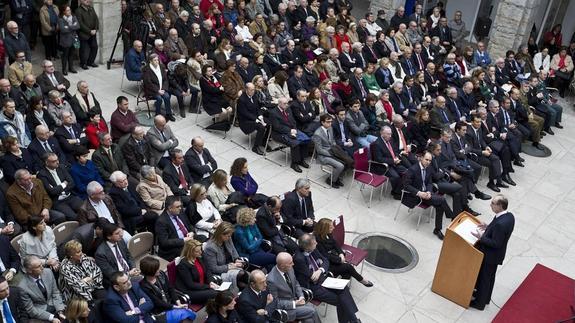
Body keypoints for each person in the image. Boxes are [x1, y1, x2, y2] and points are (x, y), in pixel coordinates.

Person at [293, 233, 360, 323]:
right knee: (341, 300)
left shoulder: (313, 249)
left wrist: (320, 270)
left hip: (323, 278)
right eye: (314, 243)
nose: (316, 243)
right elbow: (311, 277)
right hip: (313, 286)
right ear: (307, 247)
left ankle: (353, 320)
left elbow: (325, 260)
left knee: (343, 288)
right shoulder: (299, 258)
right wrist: (317, 273)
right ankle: (354, 320)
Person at [470, 194, 515, 310]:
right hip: (497, 256)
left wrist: (481, 238)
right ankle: (485, 298)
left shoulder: (501, 224)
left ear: (500, 206)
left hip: (490, 255)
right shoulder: (509, 216)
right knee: (489, 278)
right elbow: (497, 229)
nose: (490, 205)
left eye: (493, 204)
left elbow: (496, 243)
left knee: (485, 279)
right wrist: (488, 227)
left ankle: (479, 303)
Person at [403, 151, 454, 240]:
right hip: (416, 196)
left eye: (430, 161)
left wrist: (429, 192)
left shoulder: (428, 168)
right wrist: (419, 193)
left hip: (427, 194)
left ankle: (437, 229)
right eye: (426, 160)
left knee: (440, 206)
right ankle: (451, 216)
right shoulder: (413, 169)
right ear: (421, 158)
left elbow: (430, 182)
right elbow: (406, 186)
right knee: (441, 200)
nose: (428, 162)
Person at [314, 218, 373, 286]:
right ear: (324, 229)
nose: (333, 228)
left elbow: (335, 243)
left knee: (347, 273)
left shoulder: (328, 233)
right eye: (331, 227)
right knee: (348, 267)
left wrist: (341, 253)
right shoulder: (317, 240)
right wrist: (339, 260)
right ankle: (362, 280)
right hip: (327, 263)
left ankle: (341, 286)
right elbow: (325, 255)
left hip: (334, 257)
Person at [139, 256, 197, 323]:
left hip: (170, 304)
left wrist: (178, 303)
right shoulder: (144, 286)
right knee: (186, 315)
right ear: (150, 271)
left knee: (187, 316)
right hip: (160, 312)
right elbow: (158, 302)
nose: (159, 270)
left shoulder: (161, 274)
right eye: (156, 269)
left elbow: (170, 288)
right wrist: (176, 307)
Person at [203, 222, 248, 292]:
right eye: (228, 236)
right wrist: (228, 267)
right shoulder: (210, 247)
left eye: (230, 236)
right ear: (221, 235)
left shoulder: (228, 239)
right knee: (242, 274)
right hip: (221, 271)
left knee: (244, 279)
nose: (230, 237)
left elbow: (233, 251)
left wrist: (237, 259)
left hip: (232, 266)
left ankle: (248, 290)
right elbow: (213, 268)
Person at [19, 255, 66, 322]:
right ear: (29, 270)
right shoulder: (22, 287)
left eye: (41, 264)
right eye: (38, 266)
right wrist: (51, 318)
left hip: (55, 305)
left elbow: (55, 293)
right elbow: (31, 309)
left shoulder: (48, 272)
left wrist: (60, 311)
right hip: (41, 313)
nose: (42, 268)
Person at [37, 152, 83, 221]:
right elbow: (51, 192)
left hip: (69, 196)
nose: (57, 162)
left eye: (57, 160)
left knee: (84, 210)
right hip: (58, 201)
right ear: (47, 163)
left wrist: (59, 189)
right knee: (73, 217)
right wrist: (64, 184)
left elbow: (72, 183)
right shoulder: (42, 174)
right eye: (54, 161)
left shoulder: (61, 167)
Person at [269, 97, 311, 173]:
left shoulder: (288, 109)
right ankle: (294, 163)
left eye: (287, 103)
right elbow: (277, 127)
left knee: (306, 139)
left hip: (292, 130)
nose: (286, 105)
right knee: (295, 143)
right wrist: (290, 130)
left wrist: (294, 129)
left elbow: (293, 121)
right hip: (279, 133)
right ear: (279, 103)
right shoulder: (273, 113)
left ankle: (301, 159)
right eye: (284, 103)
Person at [59, 239, 105, 304]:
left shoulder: (83, 257)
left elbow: (98, 271)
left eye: (80, 250)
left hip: (94, 287)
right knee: (95, 307)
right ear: (71, 255)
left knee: (107, 300)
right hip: (76, 296)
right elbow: (77, 286)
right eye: (78, 252)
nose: (81, 253)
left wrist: (88, 279)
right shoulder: (65, 268)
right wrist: (90, 281)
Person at [176, 239, 220, 305]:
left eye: (200, 250)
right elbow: (191, 284)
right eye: (197, 251)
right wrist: (209, 286)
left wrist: (211, 282)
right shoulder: (183, 265)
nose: (200, 252)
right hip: (191, 291)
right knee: (217, 294)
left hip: (203, 286)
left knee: (223, 293)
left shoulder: (200, 257)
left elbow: (208, 270)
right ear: (190, 252)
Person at [95, 223, 139, 288]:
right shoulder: (100, 253)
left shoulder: (120, 241)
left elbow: (128, 256)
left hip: (130, 273)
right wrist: (128, 274)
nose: (121, 235)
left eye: (120, 232)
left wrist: (133, 268)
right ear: (109, 237)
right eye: (117, 233)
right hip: (118, 281)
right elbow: (110, 274)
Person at [155, 196, 195, 261]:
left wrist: (191, 232)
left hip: (188, 241)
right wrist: (183, 240)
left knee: (202, 239)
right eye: (177, 207)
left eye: (180, 206)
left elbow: (190, 225)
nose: (180, 208)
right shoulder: (161, 221)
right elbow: (164, 242)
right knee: (193, 252)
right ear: (170, 208)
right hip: (174, 248)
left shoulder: (180, 212)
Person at [312, 114, 346, 188]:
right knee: (340, 166)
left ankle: (337, 178)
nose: (330, 124)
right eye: (328, 122)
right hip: (323, 155)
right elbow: (319, 150)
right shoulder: (317, 134)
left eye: (331, 122)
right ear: (322, 122)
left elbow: (332, 140)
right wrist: (332, 154)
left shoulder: (330, 128)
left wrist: (335, 148)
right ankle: (331, 180)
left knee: (346, 160)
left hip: (332, 150)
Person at [237, 82, 269, 155]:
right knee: (261, 127)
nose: (252, 91)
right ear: (246, 90)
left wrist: (260, 115)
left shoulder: (254, 96)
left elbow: (257, 107)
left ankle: (263, 142)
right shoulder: (242, 99)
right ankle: (255, 147)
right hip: (246, 121)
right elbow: (245, 113)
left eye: (253, 90)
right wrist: (256, 119)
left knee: (270, 123)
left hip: (255, 117)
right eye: (251, 90)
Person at [143, 54, 174, 121]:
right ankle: (157, 114)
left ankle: (169, 114)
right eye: (155, 60)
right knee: (159, 98)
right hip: (152, 90)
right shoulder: (146, 69)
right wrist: (157, 90)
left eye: (157, 60)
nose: (157, 61)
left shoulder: (161, 66)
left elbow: (165, 79)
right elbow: (148, 83)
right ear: (151, 61)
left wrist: (163, 89)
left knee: (167, 96)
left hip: (162, 88)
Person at [76, 0, 99, 70]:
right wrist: (89, 31)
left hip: (93, 33)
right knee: (83, 50)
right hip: (84, 34)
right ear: (81, 1)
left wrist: (95, 29)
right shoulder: (78, 11)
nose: (87, 0)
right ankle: (83, 63)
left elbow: (96, 19)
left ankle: (90, 62)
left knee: (94, 47)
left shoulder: (91, 8)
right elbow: (80, 24)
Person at [58, 5, 80, 75]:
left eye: (69, 10)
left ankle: (71, 67)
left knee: (71, 54)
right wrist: (73, 26)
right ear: (63, 11)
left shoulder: (73, 17)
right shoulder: (61, 19)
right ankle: (64, 69)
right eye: (67, 10)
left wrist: (68, 27)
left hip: (73, 39)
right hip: (65, 41)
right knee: (65, 55)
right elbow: (63, 30)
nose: (69, 11)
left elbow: (78, 26)